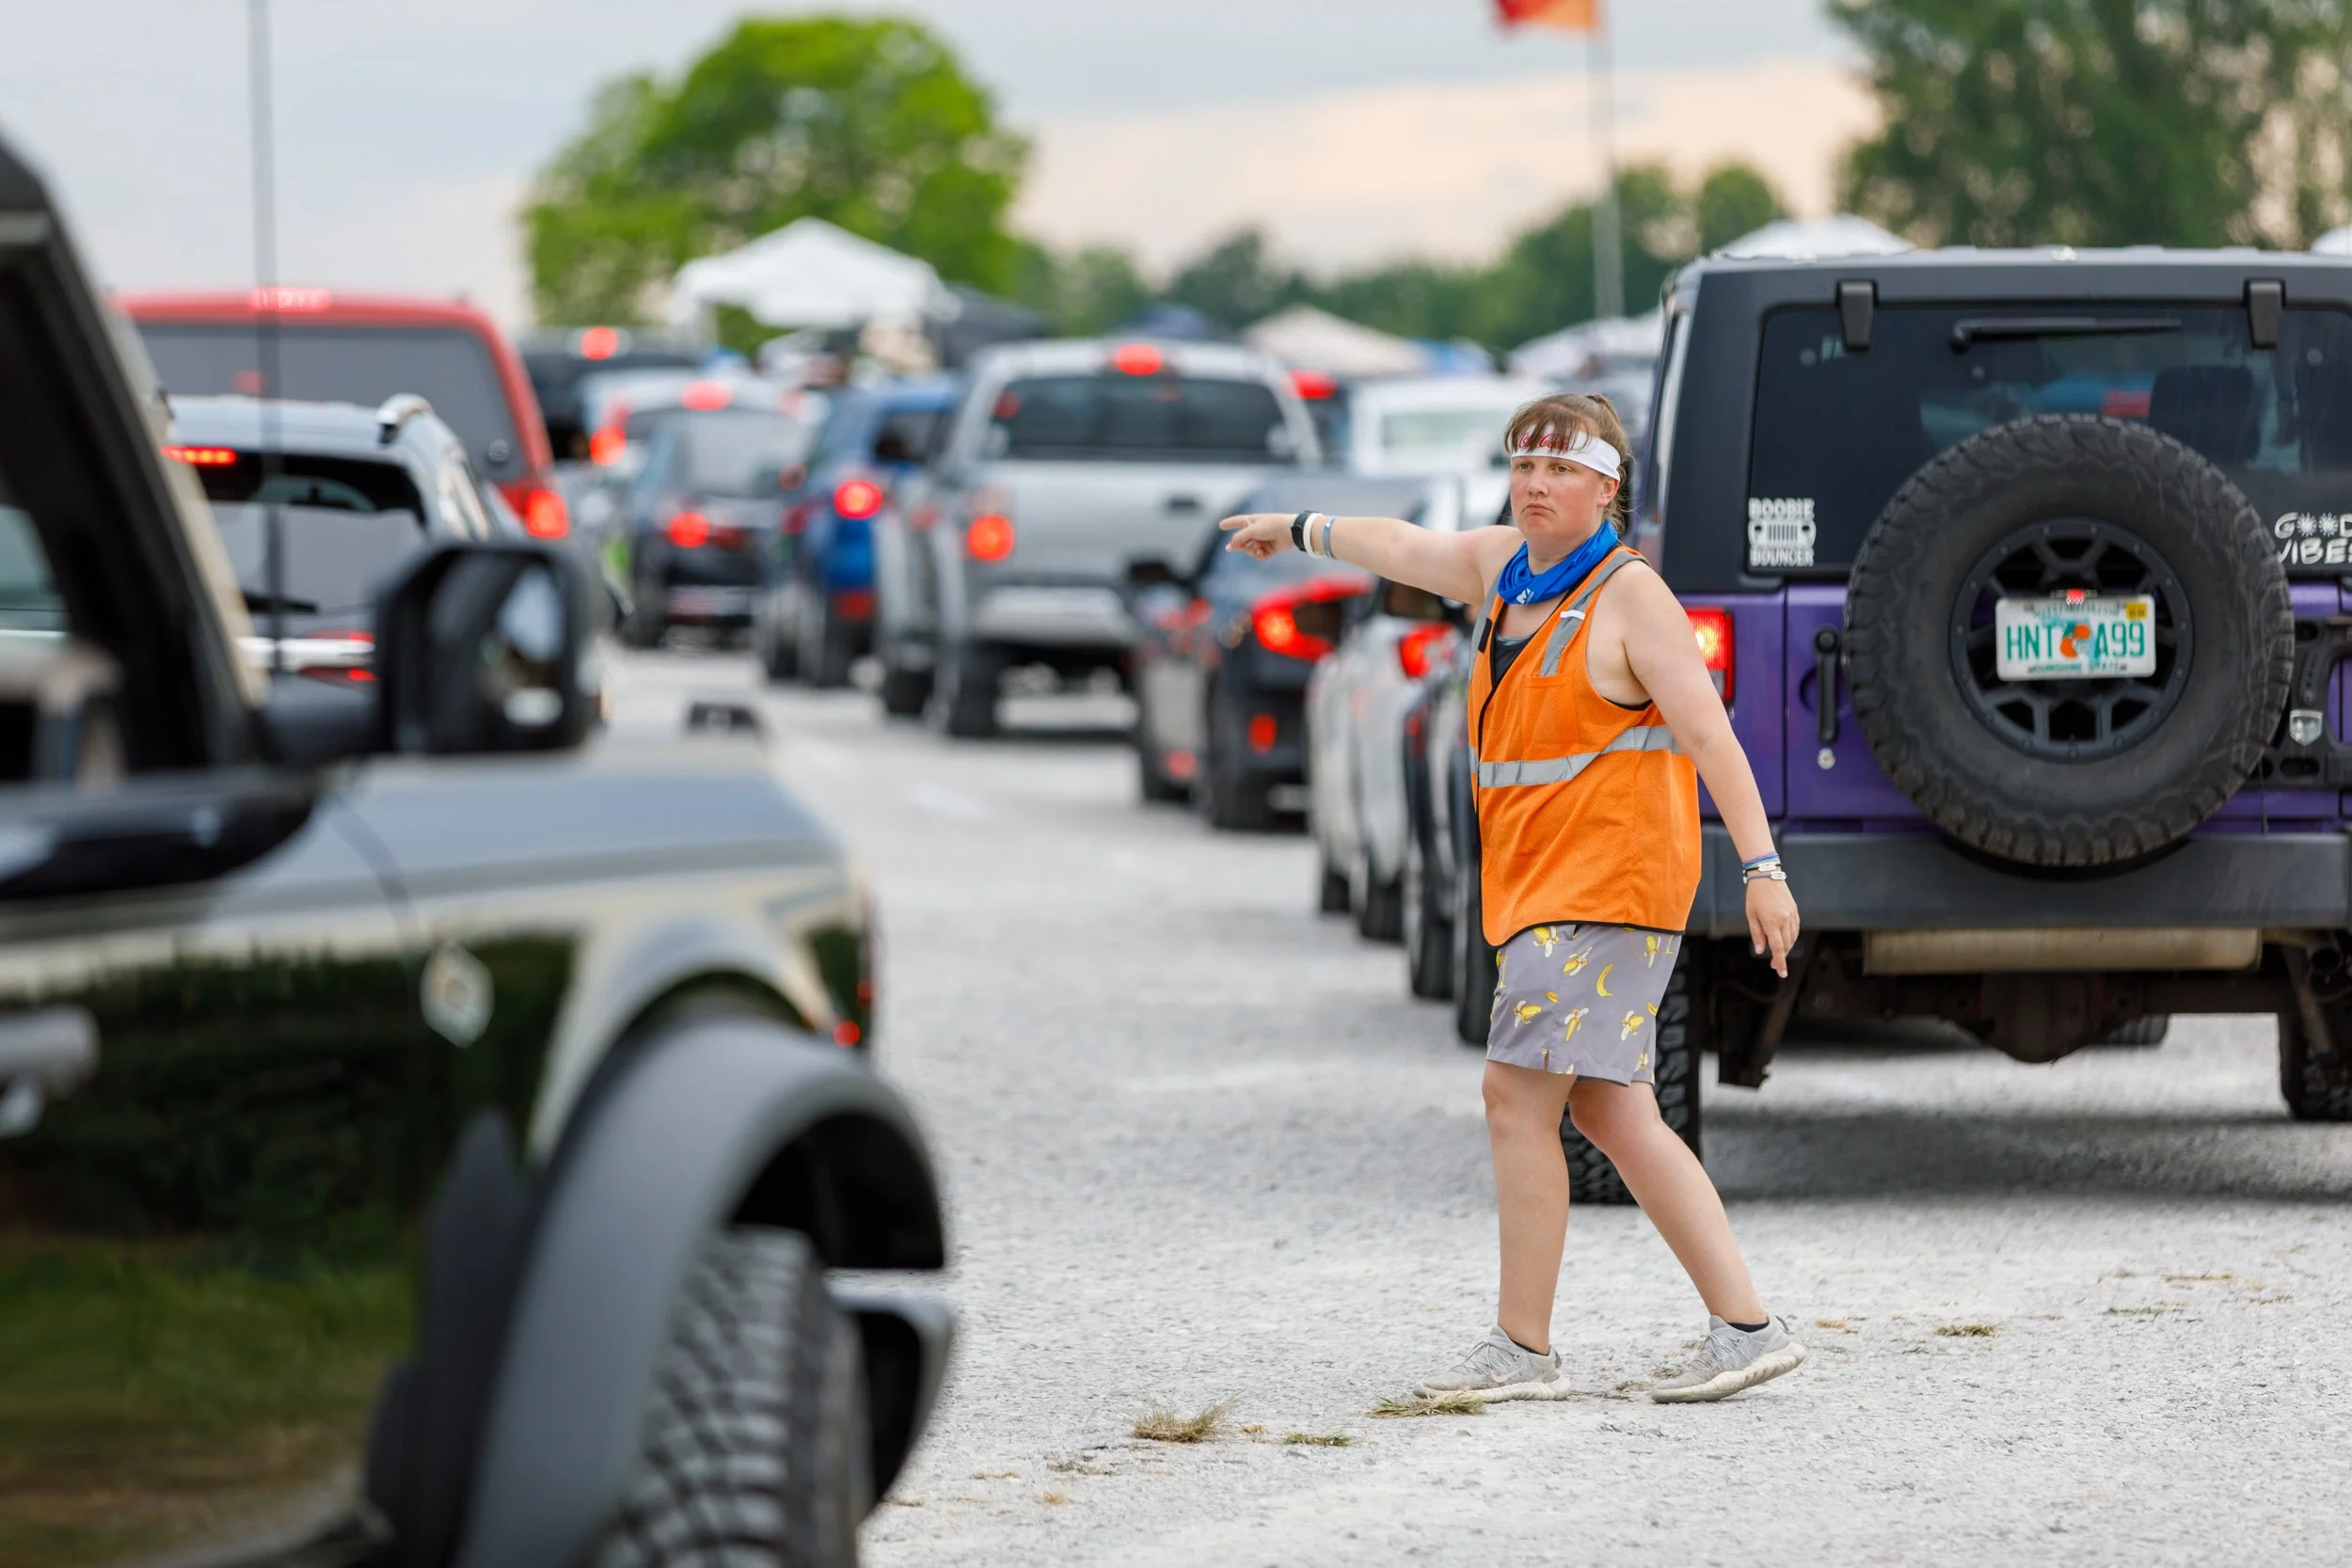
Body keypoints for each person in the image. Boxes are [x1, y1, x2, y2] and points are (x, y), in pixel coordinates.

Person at [1219, 392, 1805, 1403]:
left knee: (1512, 1094)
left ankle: (1522, 1347)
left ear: (1606, 486)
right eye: (1523, 466)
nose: (1535, 485)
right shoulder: (1502, 569)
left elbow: (1712, 736)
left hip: (1608, 880)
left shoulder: (1632, 598)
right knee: (1614, 1108)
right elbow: (1404, 544)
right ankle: (1744, 1325)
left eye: (1561, 470)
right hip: (1541, 882)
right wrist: (1303, 527)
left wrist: (1762, 870)